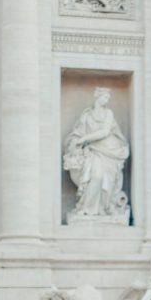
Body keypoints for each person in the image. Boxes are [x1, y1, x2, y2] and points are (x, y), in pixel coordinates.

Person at [62, 87, 130, 220]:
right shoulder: (87, 115)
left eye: (108, 98)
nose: (107, 100)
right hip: (93, 150)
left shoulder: (108, 113)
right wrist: (76, 141)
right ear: (97, 97)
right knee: (96, 176)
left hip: (109, 150)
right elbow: (78, 132)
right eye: (105, 97)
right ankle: (87, 209)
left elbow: (105, 132)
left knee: (103, 179)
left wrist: (84, 139)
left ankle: (103, 208)